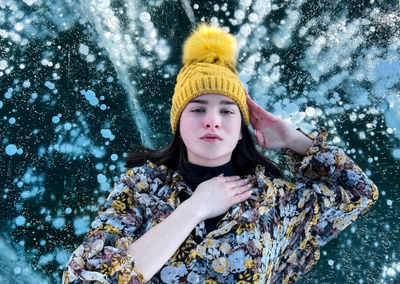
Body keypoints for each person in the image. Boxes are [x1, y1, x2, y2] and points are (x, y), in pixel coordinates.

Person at [62, 24, 378, 284]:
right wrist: (194, 208)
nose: (212, 119)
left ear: (241, 125)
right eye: (198, 108)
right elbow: (85, 279)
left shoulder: (274, 202)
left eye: (227, 111)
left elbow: (358, 192)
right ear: (178, 122)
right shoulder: (141, 188)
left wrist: (292, 139)